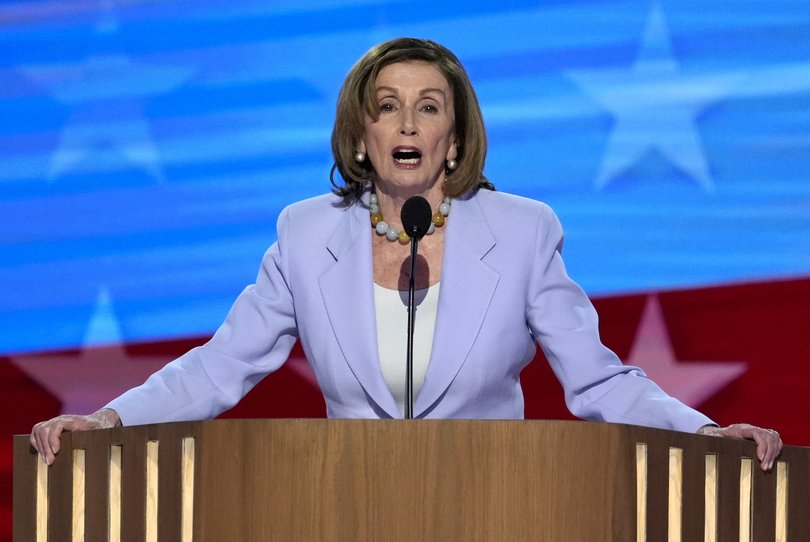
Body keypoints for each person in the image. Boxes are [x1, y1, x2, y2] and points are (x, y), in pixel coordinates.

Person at [31, 37, 782, 469]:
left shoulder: (522, 231)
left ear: (453, 138)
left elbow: (598, 381)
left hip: (499, 504)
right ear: (362, 135)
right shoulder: (305, 232)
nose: (407, 122)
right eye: (386, 105)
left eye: (429, 106)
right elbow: (221, 366)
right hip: (346, 506)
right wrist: (110, 422)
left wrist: (701, 432)